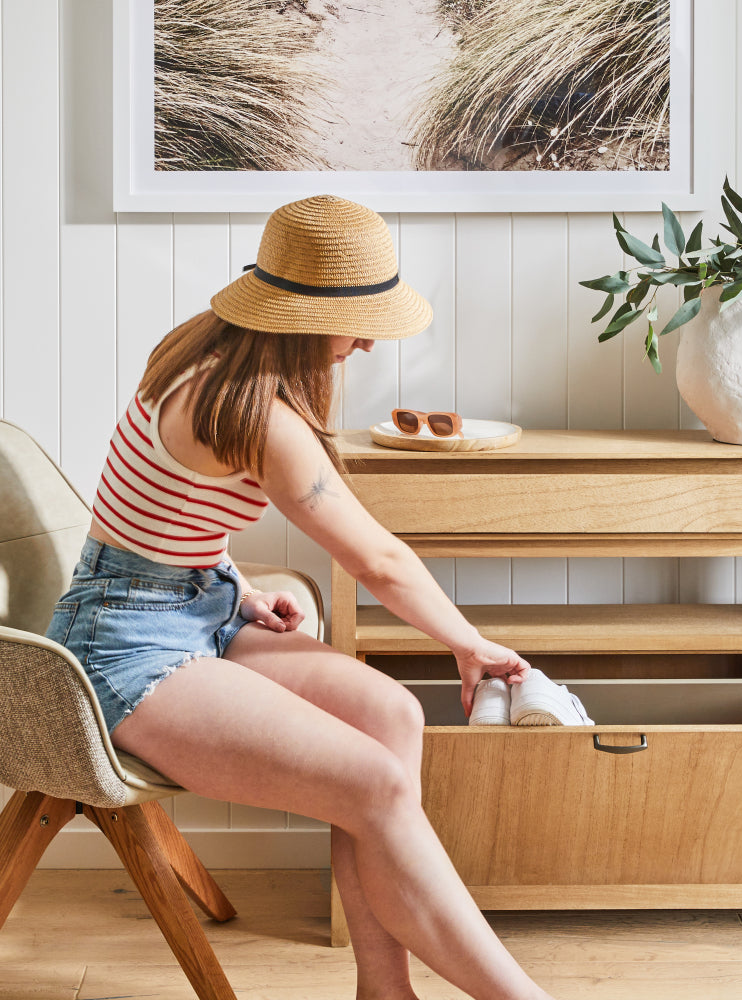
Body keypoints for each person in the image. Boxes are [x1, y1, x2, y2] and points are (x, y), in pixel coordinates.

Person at [46, 195, 557, 1000]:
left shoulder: (201, 353)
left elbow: (160, 508)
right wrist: (470, 643)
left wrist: (234, 585)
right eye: (358, 320)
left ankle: (383, 990)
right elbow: (380, 562)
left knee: (393, 717)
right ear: (303, 315)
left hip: (194, 603)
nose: (364, 341)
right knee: (375, 784)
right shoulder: (260, 416)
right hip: (122, 645)